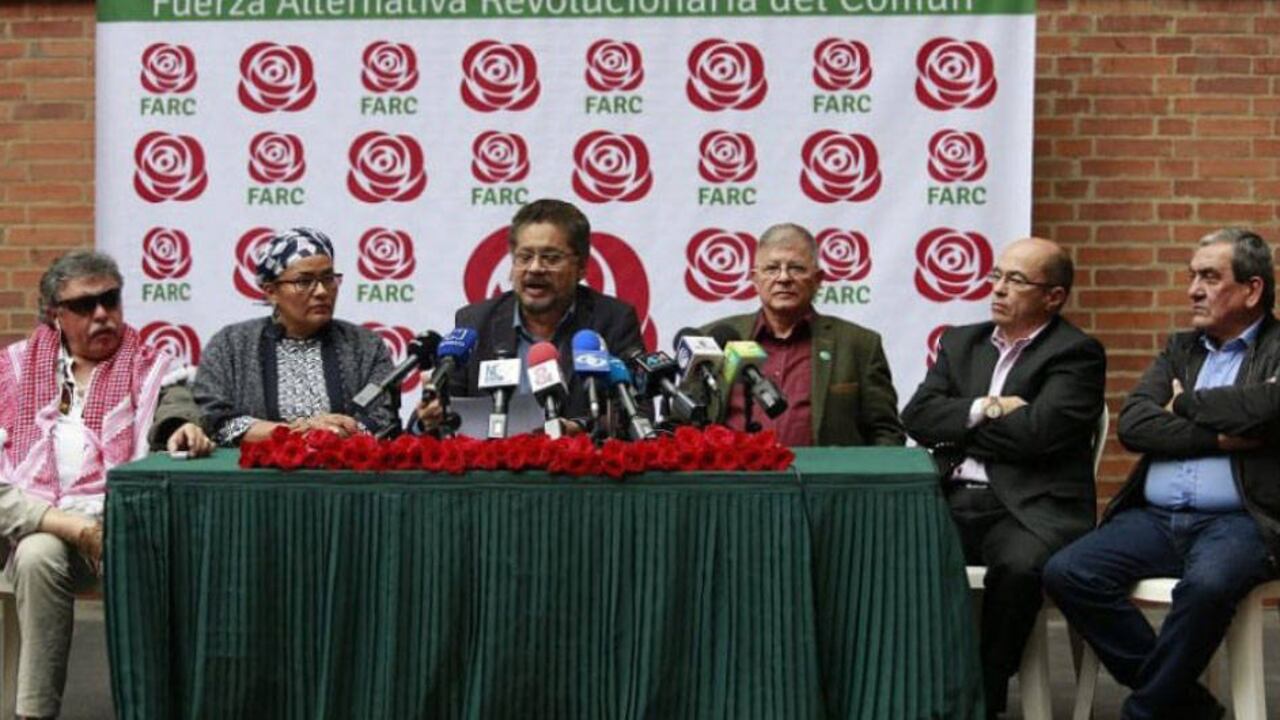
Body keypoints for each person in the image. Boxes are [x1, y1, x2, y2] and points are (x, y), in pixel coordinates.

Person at [1044, 228, 1280, 720]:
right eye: (1192, 276)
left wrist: (1185, 404)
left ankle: (1146, 711)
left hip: (1241, 522)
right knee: (1069, 572)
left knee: (1208, 588)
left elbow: (1267, 410)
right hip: (1154, 518)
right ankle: (1189, 707)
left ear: (1252, 289)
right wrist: (1217, 434)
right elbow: (1135, 424)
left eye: (1210, 277)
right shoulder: (1182, 349)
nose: (1193, 289)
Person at [0, 249, 211, 719]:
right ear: (55, 315)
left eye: (110, 300)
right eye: (83, 305)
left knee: (138, 550)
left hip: (121, 526)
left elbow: (175, 411)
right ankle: (34, 713)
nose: (101, 314)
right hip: (33, 528)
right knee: (36, 553)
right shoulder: (13, 370)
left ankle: (146, 707)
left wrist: (180, 429)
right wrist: (71, 528)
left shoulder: (151, 363)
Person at [900, 236, 1106, 718]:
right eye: (996, 275)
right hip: (951, 495)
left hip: (1029, 506)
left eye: (1015, 280)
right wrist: (987, 408)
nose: (998, 289)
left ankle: (985, 686)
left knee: (1019, 567)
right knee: (892, 547)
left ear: (1053, 297)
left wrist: (962, 430)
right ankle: (914, 679)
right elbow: (917, 416)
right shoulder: (961, 342)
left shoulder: (1076, 353)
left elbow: (1038, 433)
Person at [414, 198, 642, 435]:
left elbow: (637, 413)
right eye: (524, 257)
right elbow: (435, 416)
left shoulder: (613, 320)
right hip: (491, 467)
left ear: (582, 267)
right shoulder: (475, 323)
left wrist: (580, 428)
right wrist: (428, 418)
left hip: (578, 466)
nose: (534, 268)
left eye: (551, 258)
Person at [699, 222, 903, 446]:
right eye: (772, 268)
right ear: (755, 279)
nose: (784, 278)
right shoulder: (715, 339)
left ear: (818, 280)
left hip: (824, 480)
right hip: (732, 478)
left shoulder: (858, 344)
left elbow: (886, 433)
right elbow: (682, 427)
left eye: (796, 268)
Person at [194, 227, 398, 444]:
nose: (321, 291)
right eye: (304, 281)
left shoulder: (366, 346)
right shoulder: (230, 345)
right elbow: (215, 421)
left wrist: (329, 435)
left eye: (328, 278)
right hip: (254, 475)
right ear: (271, 291)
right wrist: (299, 432)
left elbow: (383, 419)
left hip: (344, 474)